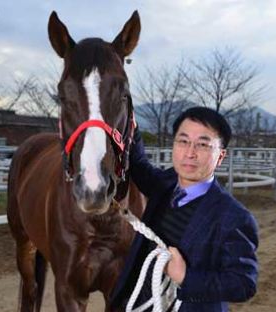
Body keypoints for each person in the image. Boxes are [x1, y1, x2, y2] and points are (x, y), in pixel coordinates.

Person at [110, 107, 259, 311]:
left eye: (203, 145)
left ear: (221, 156)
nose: (190, 153)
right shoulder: (166, 184)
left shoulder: (234, 216)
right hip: (134, 305)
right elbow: (139, 165)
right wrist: (132, 127)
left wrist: (186, 277)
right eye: (183, 141)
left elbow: (243, 283)